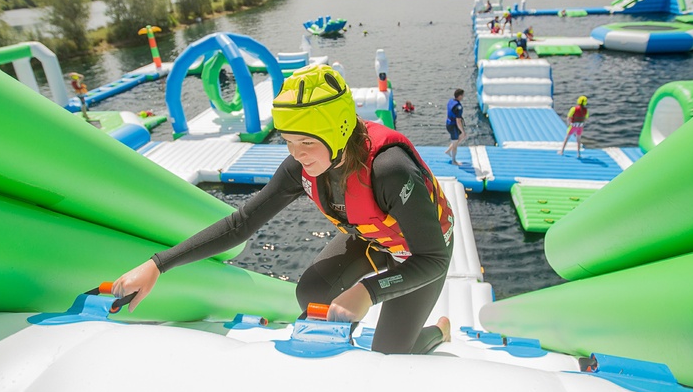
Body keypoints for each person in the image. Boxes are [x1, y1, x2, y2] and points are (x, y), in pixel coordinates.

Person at [112, 65, 453, 355]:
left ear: (341, 131)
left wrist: (368, 291)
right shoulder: (300, 167)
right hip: (373, 239)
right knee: (311, 293)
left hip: (420, 252)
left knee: (390, 356)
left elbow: (433, 259)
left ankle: (438, 332)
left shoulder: (390, 169)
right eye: (289, 141)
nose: (298, 153)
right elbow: (240, 224)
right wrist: (159, 265)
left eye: (307, 142)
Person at [444, 88, 467, 165]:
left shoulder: (451, 101)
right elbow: (458, 121)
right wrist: (463, 131)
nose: (463, 96)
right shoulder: (458, 106)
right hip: (453, 126)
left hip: (449, 123)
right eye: (463, 95)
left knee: (460, 138)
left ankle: (448, 151)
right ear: (460, 96)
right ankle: (454, 161)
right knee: (455, 143)